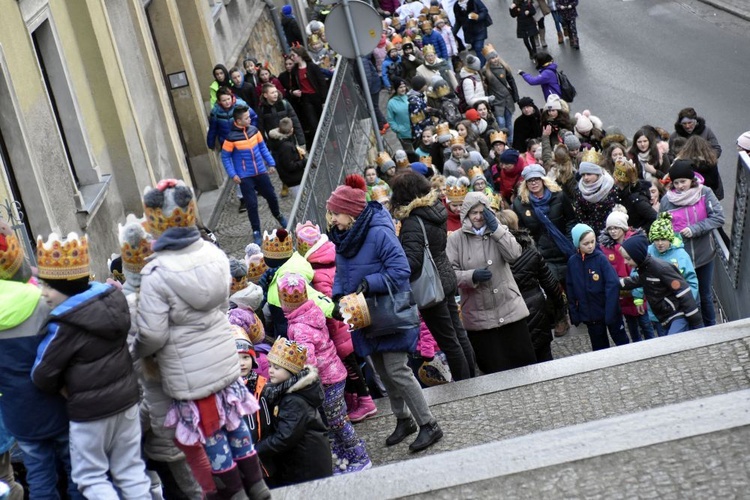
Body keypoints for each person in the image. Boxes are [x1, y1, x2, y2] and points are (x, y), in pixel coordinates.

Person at [135, 180, 270, 499]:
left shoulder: (155, 273)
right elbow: (224, 305)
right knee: (235, 421)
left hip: (188, 372)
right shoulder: (214, 254)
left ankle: (235, 492)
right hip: (223, 358)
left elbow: (153, 334)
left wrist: (136, 350)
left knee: (211, 432)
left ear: (156, 223)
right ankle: (257, 485)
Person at [327, 175, 444, 452]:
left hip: (388, 312)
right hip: (363, 315)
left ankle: (429, 424)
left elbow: (401, 270)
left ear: (351, 213)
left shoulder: (379, 231)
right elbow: (342, 275)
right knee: (382, 369)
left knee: (397, 370)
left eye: (336, 213)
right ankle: (404, 420)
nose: (332, 219)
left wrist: (370, 284)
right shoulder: (344, 237)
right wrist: (337, 295)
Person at [31, 232, 152, 499]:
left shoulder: (63, 326)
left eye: (48, 286)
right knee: (131, 470)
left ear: (64, 288)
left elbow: (42, 374)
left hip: (90, 414)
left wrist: (60, 385)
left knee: (90, 477)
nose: (44, 293)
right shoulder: (115, 301)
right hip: (127, 401)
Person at [0, 221, 81, 499]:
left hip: (18, 413)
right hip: (54, 402)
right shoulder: (38, 299)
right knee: (75, 470)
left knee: (39, 476)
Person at [277, 274, 371, 474]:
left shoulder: (298, 326)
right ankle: (342, 460)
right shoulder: (311, 311)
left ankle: (360, 456)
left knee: (337, 422)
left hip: (326, 379)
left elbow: (308, 361)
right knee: (333, 420)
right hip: (334, 373)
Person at [391, 171, 476, 381]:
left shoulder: (413, 222)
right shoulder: (435, 209)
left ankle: (466, 386)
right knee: (458, 334)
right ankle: (473, 379)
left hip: (430, 286)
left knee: (448, 341)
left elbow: (413, 262)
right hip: (445, 277)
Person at [294, 221, 378, 422]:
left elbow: (328, 304)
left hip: (338, 327)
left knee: (350, 367)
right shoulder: (331, 260)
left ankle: (366, 401)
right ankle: (356, 400)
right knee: (353, 364)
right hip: (347, 324)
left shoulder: (317, 273)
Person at [447, 191, 536, 373]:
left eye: (482, 212)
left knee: (524, 367)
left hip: (510, 309)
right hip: (479, 316)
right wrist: (470, 276)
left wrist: (497, 230)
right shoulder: (455, 239)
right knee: (494, 369)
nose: (478, 217)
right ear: (466, 214)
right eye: (474, 213)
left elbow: (514, 254)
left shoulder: (499, 230)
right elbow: (449, 274)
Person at [255, 338, 333, 486]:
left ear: (292, 372)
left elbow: (285, 437)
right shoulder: (283, 390)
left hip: (306, 464)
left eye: (277, 368)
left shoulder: (293, 400)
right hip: (301, 459)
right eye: (270, 365)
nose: (270, 370)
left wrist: (256, 450)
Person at [659, 160, 725, 327]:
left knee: (705, 295)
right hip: (681, 259)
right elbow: (661, 228)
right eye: (676, 182)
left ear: (692, 180)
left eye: (683, 181)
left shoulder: (705, 192)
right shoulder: (667, 201)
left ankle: (711, 328)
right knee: (688, 297)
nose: (680, 186)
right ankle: (696, 329)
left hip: (704, 254)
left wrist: (695, 229)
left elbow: (718, 217)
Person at [499, 209, 566, 362]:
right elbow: (550, 284)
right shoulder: (530, 251)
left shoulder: (492, 254)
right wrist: (559, 309)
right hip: (536, 308)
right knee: (544, 357)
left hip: (510, 310)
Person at [222, 105, 288, 244]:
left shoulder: (254, 130)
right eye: (246, 118)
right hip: (245, 176)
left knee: (271, 196)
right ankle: (256, 230)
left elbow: (262, 147)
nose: (250, 119)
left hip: (260, 171)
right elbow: (225, 157)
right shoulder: (231, 138)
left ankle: (278, 215)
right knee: (251, 204)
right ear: (238, 121)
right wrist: (233, 174)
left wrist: (271, 163)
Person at [619, 234, 703, 334]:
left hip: (678, 313)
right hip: (665, 316)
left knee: (672, 342)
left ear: (637, 255)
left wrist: (697, 323)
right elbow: (639, 280)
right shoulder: (644, 268)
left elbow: (684, 292)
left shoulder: (660, 268)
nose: (625, 262)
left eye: (628, 258)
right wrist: (618, 283)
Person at [566, 224, 630, 350]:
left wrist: (610, 311)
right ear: (577, 244)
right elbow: (570, 288)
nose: (590, 246)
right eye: (586, 243)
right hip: (591, 314)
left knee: (622, 342)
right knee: (599, 347)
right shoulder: (572, 262)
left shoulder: (600, 258)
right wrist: (574, 312)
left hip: (608, 310)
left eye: (592, 242)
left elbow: (613, 283)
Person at [598, 207, 656, 342]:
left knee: (645, 323)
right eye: (610, 228)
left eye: (616, 228)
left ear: (623, 228)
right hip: (622, 293)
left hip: (638, 288)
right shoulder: (605, 248)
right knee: (631, 325)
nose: (612, 231)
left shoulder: (634, 242)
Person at [638, 212, 699, 336]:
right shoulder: (647, 254)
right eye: (656, 239)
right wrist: (638, 298)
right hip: (658, 311)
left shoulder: (681, 255)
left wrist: (687, 302)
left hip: (679, 310)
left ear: (670, 238)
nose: (660, 243)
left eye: (663, 239)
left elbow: (691, 281)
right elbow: (638, 276)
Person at [288, 46, 330, 145]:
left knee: (323, 120)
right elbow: (293, 86)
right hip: (306, 99)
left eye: (293, 55)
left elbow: (322, 83)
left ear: (300, 55)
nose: (292, 58)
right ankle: (321, 144)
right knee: (312, 123)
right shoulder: (294, 71)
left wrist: (324, 100)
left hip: (317, 97)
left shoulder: (312, 67)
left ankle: (332, 141)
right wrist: (293, 92)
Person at [482, 45, 519, 143]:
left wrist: (516, 96)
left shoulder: (504, 67)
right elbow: (485, 88)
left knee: (509, 123)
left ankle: (510, 142)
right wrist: (489, 102)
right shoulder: (486, 71)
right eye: (492, 58)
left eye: (495, 57)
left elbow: (511, 81)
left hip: (507, 99)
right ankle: (504, 142)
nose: (494, 60)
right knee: (501, 123)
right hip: (496, 101)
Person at [612, 158, 657, 232]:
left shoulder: (636, 199)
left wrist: (638, 232)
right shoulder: (618, 193)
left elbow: (654, 218)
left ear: (617, 179)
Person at [574, 160, 619, 235]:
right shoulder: (580, 191)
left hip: (611, 232)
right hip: (590, 234)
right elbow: (580, 215)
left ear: (597, 173)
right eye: (583, 175)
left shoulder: (610, 186)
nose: (585, 177)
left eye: (589, 174)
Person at [675, 135, 724, 200]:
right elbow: (715, 183)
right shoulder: (711, 161)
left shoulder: (684, 163)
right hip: (708, 196)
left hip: (691, 197)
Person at [268, 117, 306, 199]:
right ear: (291, 130)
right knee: (302, 200)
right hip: (294, 179)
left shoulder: (279, 142)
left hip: (292, 178)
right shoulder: (286, 147)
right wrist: (303, 162)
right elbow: (290, 166)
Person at [206, 86, 253, 151]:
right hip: (227, 142)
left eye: (228, 99)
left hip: (242, 139)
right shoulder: (215, 112)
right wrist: (210, 143)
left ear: (232, 97)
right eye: (224, 100)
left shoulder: (240, 105)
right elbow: (213, 129)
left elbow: (253, 117)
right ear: (219, 101)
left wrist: (251, 132)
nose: (227, 102)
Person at [452, 0, 491, 66]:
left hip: (479, 29)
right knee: (474, 45)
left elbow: (484, 11)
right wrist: (452, 33)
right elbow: (458, 22)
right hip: (469, 31)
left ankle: (482, 65)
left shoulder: (475, 1)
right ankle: (475, 49)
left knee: (478, 48)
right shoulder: (456, 6)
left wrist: (478, 17)